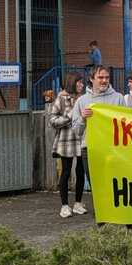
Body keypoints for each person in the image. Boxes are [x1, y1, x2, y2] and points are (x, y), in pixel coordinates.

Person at [71, 65, 125, 212]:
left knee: (115, 183)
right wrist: (83, 118)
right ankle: (102, 217)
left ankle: (117, 215)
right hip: (90, 149)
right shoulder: (82, 101)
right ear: (91, 79)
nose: (104, 80)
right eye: (100, 77)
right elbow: (76, 131)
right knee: (96, 185)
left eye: (107, 77)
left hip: (113, 149)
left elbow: (125, 125)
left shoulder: (118, 98)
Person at [48, 80, 84, 219]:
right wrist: (69, 117)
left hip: (82, 138)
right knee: (66, 172)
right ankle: (64, 205)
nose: (81, 85)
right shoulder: (61, 99)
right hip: (66, 140)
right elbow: (52, 120)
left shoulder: (84, 99)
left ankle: (78, 203)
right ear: (72, 83)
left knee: (81, 172)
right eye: (79, 82)